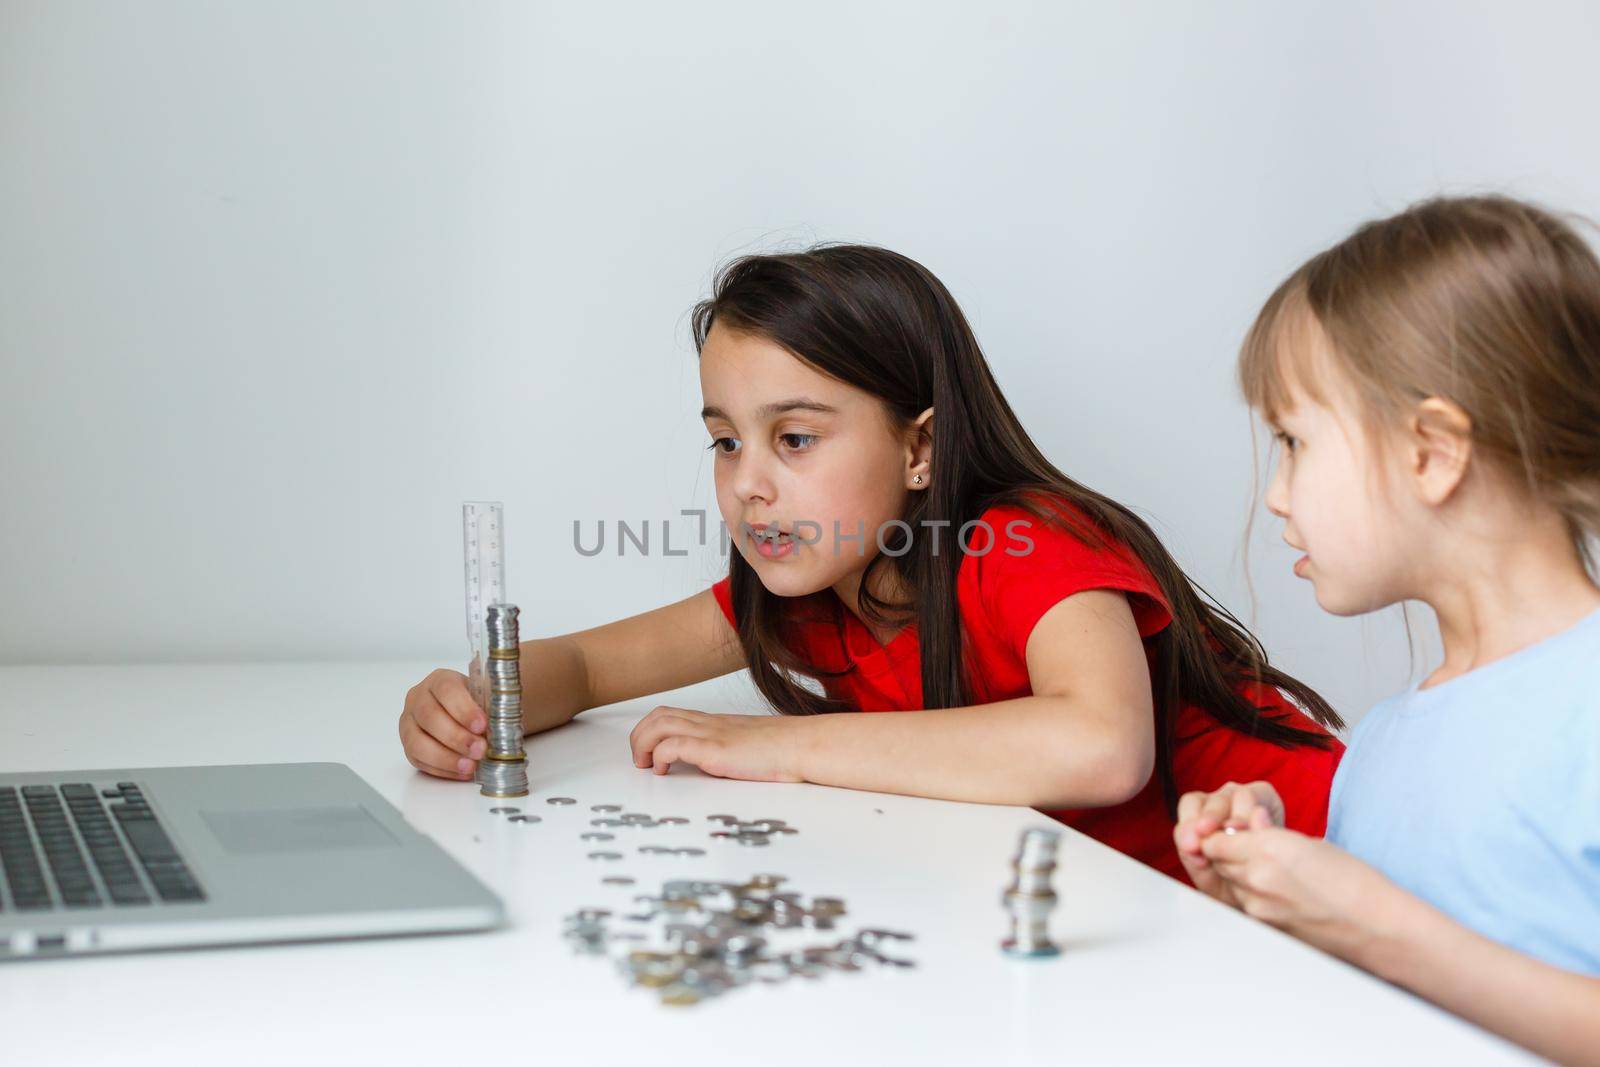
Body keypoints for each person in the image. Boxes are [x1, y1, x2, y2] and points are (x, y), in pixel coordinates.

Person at [401, 244, 1343, 881]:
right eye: (725, 442)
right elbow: (591, 666)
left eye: (796, 438)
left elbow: (1101, 745)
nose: (748, 485)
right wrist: (481, 698)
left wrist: (781, 748)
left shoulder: (1028, 542)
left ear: (920, 450)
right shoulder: (809, 589)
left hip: (1346, 868)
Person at [1173, 195, 1600, 1065]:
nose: (1278, 494)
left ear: (1431, 452)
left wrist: (1381, 928)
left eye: (1293, 441)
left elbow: (1404, 946)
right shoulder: (1382, 738)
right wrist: (1269, 886)